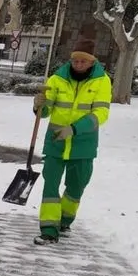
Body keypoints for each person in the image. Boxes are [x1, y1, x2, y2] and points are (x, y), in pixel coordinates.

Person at [31, 37, 112, 245]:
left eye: (83, 62)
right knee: (51, 186)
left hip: (83, 145)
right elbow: (46, 110)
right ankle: (49, 230)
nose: (78, 65)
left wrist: (74, 129)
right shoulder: (57, 79)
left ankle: (65, 220)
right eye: (75, 61)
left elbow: (101, 113)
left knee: (76, 187)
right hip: (56, 142)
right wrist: (39, 105)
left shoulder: (102, 81)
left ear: (92, 62)